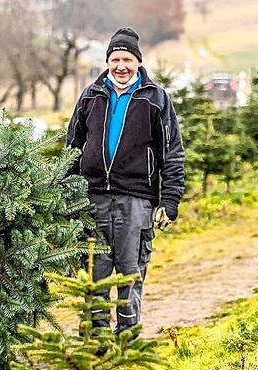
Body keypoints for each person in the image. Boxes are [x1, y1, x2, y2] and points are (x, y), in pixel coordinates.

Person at [66, 27, 185, 337]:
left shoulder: (155, 99)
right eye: (115, 59)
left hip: (136, 201)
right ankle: (97, 339)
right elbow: (72, 148)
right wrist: (68, 194)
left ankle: (128, 337)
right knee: (96, 274)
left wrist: (169, 201)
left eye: (127, 60)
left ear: (138, 62)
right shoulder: (91, 95)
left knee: (130, 274)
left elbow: (172, 153)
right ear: (108, 61)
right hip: (94, 200)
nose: (121, 66)